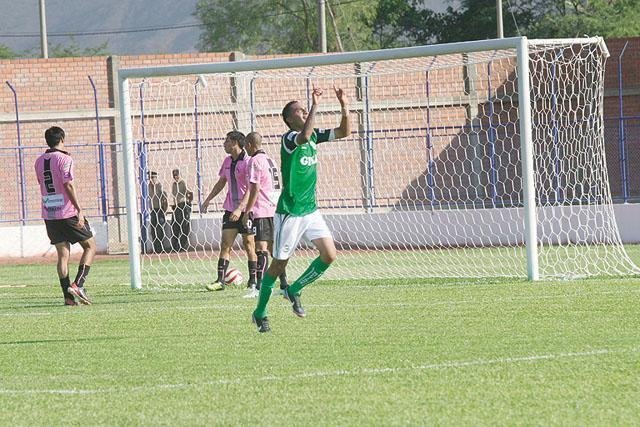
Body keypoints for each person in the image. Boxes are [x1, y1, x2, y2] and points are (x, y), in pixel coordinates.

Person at [252, 85, 350, 333]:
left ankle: (294, 289)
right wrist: (316, 106)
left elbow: (344, 131)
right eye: (300, 111)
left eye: (305, 109)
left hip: (311, 211)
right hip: (290, 212)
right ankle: (260, 312)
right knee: (278, 265)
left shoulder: (315, 135)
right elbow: (303, 136)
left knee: (329, 255)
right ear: (288, 119)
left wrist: (344, 104)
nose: (304, 112)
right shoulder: (289, 139)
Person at [34, 126, 96, 306]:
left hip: (49, 213)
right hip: (67, 212)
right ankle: (78, 285)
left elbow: (42, 183)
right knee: (90, 246)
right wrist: (79, 209)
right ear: (62, 139)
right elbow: (67, 184)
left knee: (63, 254)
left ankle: (68, 298)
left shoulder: (38, 161)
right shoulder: (65, 159)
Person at [201, 131, 257, 291]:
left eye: (227, 141)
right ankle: (220, 281)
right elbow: (221, 182)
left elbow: (251, 189)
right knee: (225, 244)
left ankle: (252, 281)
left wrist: (241, 209)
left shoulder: (248, 162)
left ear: (235, 143)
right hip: (230, 209)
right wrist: (208, 199)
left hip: (246, 211)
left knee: (249, 245)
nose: (224, 144)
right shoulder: (226, 161)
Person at [241, 132, 289, 298]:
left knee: (261, 249)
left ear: (249, 145)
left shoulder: (255, 161)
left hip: (263, 209)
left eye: (246, 146)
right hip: (276, 207)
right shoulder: (270, 159)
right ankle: (284, 285)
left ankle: (259, 288)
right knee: (274, 250)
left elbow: (255, 188)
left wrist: (247, 211)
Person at [170, 168, 193, 251]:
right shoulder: (173, 184)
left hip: (184, 205)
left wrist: (189, 204)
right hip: (176, 206)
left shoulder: (183, 182)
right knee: (175, 225)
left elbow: (190, 193)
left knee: (184, 226)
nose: (175, 177)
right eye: (174, 175)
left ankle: (183, 246)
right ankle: (175, 246)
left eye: (177, 175)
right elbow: (174, 196)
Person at [148, 171, 168, 253]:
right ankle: (156, 248)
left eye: (153, 177)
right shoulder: (148, 187)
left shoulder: (160, 186)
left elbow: (165, 199)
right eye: (151, 177)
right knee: (153, 230)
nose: (152, 179)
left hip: (160, 210)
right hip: (153, 210)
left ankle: (160, 248)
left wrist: (164, 210)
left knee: (160, 229)